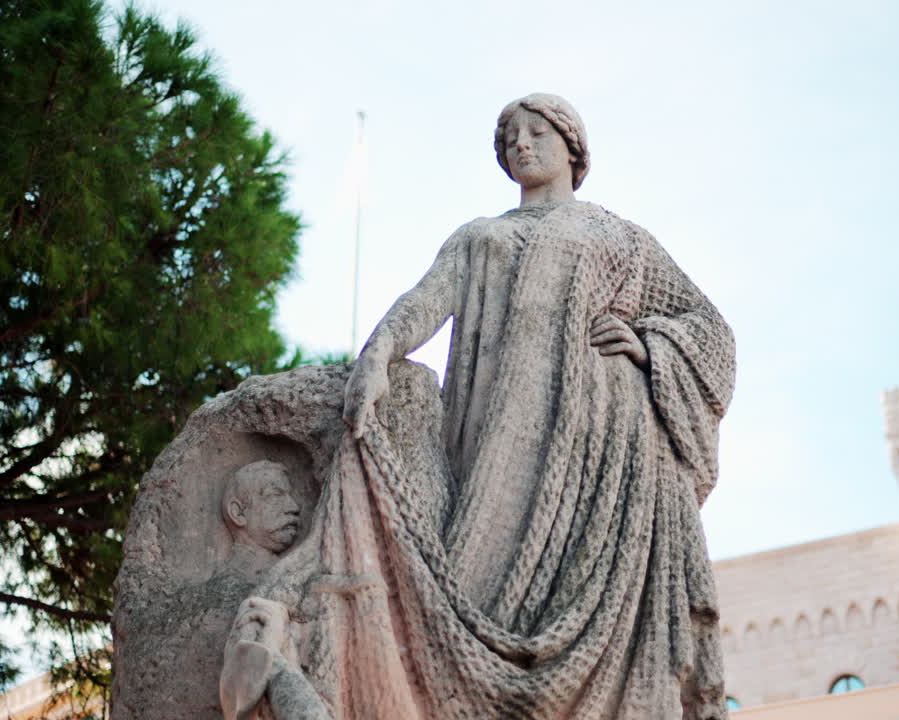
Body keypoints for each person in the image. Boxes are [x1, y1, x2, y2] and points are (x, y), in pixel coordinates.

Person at [230, 93, 736, 720]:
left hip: (610, 447)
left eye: (537, 131)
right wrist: (379, 352)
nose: (522, 144)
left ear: (572, 145)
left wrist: (651, 344)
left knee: (601, 598)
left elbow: (709, 327)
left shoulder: (620, 235)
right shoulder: (479, 237)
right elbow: (425, 300)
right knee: (474, 574)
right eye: (510, 137)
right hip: (499, 442)